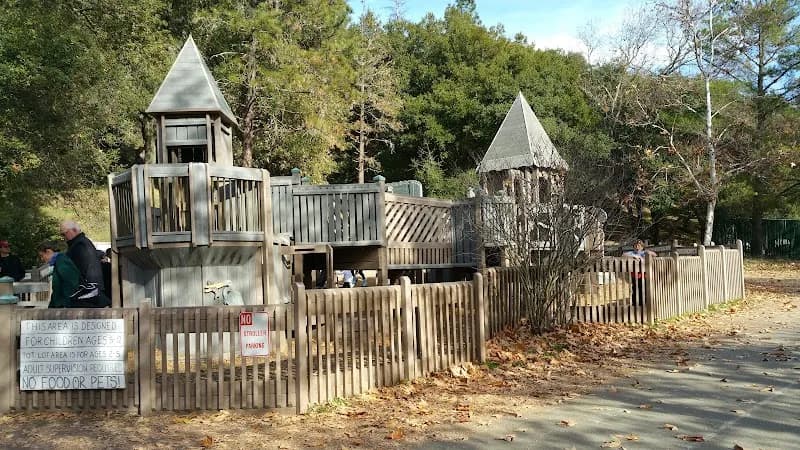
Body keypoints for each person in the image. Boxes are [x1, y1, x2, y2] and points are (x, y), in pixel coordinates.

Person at [60, 221, 110, 308]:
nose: (64, 237)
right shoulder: (83, 243)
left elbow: (79, 270)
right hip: (90, 289)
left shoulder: (80, 245)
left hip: (87, 290)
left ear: (74, 230)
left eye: (64, 234)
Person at [37, 241, 80, 308]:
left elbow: (70, 284)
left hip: (65, 305)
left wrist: (65, 304)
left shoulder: (62, 261)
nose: (42, 259)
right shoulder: (59, 261)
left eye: (42, 255)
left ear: (48, 251)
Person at [623, 240, 657, 307]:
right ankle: (635, 303)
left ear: (642, 247)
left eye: (639, 245)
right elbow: (623, 255)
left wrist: (648, 252)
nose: (637, 247)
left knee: (643, 288)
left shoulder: (644, 253)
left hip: (644, 274)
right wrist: (633, 257)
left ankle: (643, 303)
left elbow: (655, 255)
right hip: (634, 274)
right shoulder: (632, 253)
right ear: (633, 247)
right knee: (635, 289)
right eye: (635, 246)